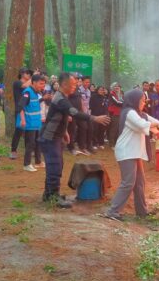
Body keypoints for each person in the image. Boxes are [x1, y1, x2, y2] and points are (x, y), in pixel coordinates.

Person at [104, 89, 159, 221]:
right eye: (142, 100)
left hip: (134, 152)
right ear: (134, 100)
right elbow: (143, 125)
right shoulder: (129, 113)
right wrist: (156, 125)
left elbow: (157, 122)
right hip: (126, 152)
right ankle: (113, 211)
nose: (144, 103)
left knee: (139, 182)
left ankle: (142, 211)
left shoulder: (141, 114)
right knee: (128, 182)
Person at [39, 73, 110, 206]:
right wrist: (94, 118)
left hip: (56, 136)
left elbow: (61, 116)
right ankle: (52, 197)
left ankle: (50, 194)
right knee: (54, 166)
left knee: (57, 165)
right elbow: (73, 112)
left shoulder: (64, 97)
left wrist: (65, 131)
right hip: (50, 137)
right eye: (72, 85)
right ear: (64, 85)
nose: (75, 86)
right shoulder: (60, 99)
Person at [17, 74, 46, 172]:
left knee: (38, 143)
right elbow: (20, 106)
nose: (42, 86)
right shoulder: (27, 92)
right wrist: (23, 120)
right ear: (33, 83)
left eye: (44, 84)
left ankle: (38, 162)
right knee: (30, 144)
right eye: (41, 84)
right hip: (29, 124)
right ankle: (27, 164)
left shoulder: (36, 93)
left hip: (37, 124)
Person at [10, 68, 34, 159]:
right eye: (27, 73)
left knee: (28, 131)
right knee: (18, 131)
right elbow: (24, 86)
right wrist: (34, 77)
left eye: (30, 74)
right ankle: (13, 150)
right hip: (20, 110)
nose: (29, 75)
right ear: (21, 73)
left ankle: (28, 150)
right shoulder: (17, 83)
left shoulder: (30, 85)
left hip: (28, 110)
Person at [77, 76, 93, 154]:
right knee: (83, 128)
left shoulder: (89, 91)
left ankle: (89, 145)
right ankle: (82, 147)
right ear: (82, 82)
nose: (87, 84)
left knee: (90, 128)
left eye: (88, 82)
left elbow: (88, 103)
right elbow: (79, 103)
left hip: (87, 113)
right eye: (86, 82)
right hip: (80, 113)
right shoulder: (78, 90)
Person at [108, 82, 123, 148]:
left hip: (120, 113)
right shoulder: (112, 94)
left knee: (118, 129)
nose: (117, 87)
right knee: (114, 129)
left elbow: (122, 101)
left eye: (118, 86)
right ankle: (111, 144)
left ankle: (117, 143)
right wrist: (125, 103)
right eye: (115, 86)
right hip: (114, 113)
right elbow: (117, 102)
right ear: (113, 87)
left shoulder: (120, 94)